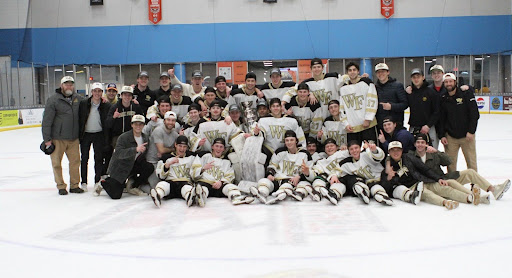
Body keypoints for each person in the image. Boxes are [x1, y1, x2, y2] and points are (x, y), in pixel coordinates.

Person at [409, 133, 511, 203]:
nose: (420, 145)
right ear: (414, 144)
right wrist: (437, 180)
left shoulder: (433, 154)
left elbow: (448, 161)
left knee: (470, 172)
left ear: (427, 144)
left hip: (444, 178)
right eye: (418, 143)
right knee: (450, 189)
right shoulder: (412, 156)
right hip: (433, 183)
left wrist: (437, 152)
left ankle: (494, 189)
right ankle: (477, 198)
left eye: (423, 143)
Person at [383, 141, 479, 210]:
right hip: (412, 188)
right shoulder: (387, 168)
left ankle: (469, 197)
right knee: (428, 195)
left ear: (402, 150)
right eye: (393, 150)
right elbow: (387, 188)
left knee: (445, 188)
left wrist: (438, 178)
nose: (396, 152)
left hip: (423, 181)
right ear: (389, 152)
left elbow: (424, 169)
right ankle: (446, 203)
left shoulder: (408, 157)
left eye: (398, 150)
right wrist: (389, 178)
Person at [42, 76, 84, 195]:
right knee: (56, 163)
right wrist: (47, 140)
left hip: (73, 138)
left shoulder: (78, 99)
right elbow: (46, 121)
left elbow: (90, 103)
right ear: (62, 86)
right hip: (57, 139)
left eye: (71, 84)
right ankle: (61, 186)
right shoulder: (53, 100)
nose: (69, 86)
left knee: (75, 162)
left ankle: (75, 185)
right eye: (66, 84)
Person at [96, 115, 153, 199]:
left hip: (133, 164)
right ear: (131, 125)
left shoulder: (145, 138)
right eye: (136, 124)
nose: (138, 126)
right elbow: (118, 153)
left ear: (144, 125)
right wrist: (135, 149)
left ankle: (133, 185)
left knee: (149, 167)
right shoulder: (124, 137)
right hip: (120, 167)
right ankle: (104, 182)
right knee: (116, 195)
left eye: (140, 124)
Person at [251, 130, 315, 205]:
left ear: (296, 141)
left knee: (288, 185)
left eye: (291, 140)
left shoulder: (305, 154)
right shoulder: (279, 152)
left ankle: (281, 193)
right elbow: (272, 166)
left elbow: (310, 172)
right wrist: (270, 174)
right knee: (264, 181)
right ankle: (262, 193)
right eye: (287, 140)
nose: (289, 142)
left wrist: (300, 176)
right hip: (278, 179)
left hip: (292, 181)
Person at [192, 138, 254, 206]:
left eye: (221, 147)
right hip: (205, 183)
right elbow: (193, 172)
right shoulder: (204, 156)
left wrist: (221, 182)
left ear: (224, 149)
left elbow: (230, 176)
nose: (218, 149)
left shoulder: (226, 162)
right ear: (212, 147)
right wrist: (203, 169)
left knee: (229, 186)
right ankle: (200, 196)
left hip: (218, 187)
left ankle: (236, 197)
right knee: (202, 187)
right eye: (217, 146)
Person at [438, 73, 480, 173]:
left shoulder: (465, 94)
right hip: (451, 137)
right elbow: (441, 119)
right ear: (444, 84)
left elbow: (474, 114)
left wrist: (471, 131)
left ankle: (475, 186)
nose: (448, 84)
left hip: (467, 136)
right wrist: (442, 135)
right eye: (446, 82)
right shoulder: (443, 98)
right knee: (451, 165)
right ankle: (453, 185)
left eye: (450, 81)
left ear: (455, 82)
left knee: (471, 163)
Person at [78, 82, 111, 192]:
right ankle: (84, 182)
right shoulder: (84, 103)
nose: (97, 93)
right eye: (95, 91)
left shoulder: (105, 105)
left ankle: (97, 180)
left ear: (102, 93)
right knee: (84, 159)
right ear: (91, 92)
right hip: (86, 134)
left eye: (99, 91)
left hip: (99, 134)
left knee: (98, 158)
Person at [254, 98, 306, 165]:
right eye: (273, 106)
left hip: (287, 152)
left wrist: (302, 151)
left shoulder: (291, 120)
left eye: (277, 106)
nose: (275, 108)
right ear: (270, 108)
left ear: (281, 107)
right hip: (268, 152)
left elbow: (300, 138)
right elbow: (258, 134)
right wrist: (256, 133)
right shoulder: (263, 120)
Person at [339, 140, 393, 205]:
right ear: (349, 152)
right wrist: (333, 176)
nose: (354, 151)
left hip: (382, 179)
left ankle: (383, 195)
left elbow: (379, 156)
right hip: (370, 183)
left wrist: (374, 150)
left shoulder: (366, 154)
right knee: (371, 186)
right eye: (351, 149)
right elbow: (339, 171)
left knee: (377, 186)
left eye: (356, 148)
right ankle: (374, 194)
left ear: (360, 148)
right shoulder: (348, 164)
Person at [150, 136, 198, 207]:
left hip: (184, 182)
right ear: (175, 145)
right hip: (171, 184)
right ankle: (158, 195)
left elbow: (195, 172)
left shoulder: (191, 157)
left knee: (187, 188)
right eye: (180, 146)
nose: (182, 149)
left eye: (184, 146)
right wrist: (167, 165)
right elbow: (160, 176)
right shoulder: (166, 157)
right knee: (163, 184)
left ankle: (190, 196)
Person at [339, 62, 379, 144]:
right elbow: (342, 108)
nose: (352, 72)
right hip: (352, 128)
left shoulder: (367, 82)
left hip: (367, 125)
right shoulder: (343, 88)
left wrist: (368, 118)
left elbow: (372, 100)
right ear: (347, 73)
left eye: (354, 70)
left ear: (358, 71)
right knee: (354, 152)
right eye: (350, 70)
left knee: (370, 151)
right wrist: (346, 124)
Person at [406, 68, 440, 149]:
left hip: (429, 127)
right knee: (412, 151)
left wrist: (428, 125)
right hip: (414, 127)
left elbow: (437, 111)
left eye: (418, 77)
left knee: (432, 151)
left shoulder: (431, 92)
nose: (416, 79)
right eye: (414, 77)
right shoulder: (409, 92)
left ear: (423, 77)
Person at [311, 138, 350, 205]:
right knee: (318, 179)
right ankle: (318, 191)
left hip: (342, 178)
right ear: (324, 149)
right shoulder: (321, 162)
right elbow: (316, 171)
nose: (329, 148)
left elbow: (355, 152)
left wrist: (347, 148)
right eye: (327, 147)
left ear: (337, 147)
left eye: (332, 146)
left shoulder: (342, 153)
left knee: (339, 183)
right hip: (329, 181)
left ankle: (334, 195)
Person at [374, 63, 408, 128]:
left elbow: (405, 104)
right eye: (378, 72)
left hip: (396, 124)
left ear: (388, 72)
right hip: (380, 125)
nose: (381, 74)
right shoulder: (374, 88)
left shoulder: (397, 86)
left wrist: (391, 106)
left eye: (383, 71)